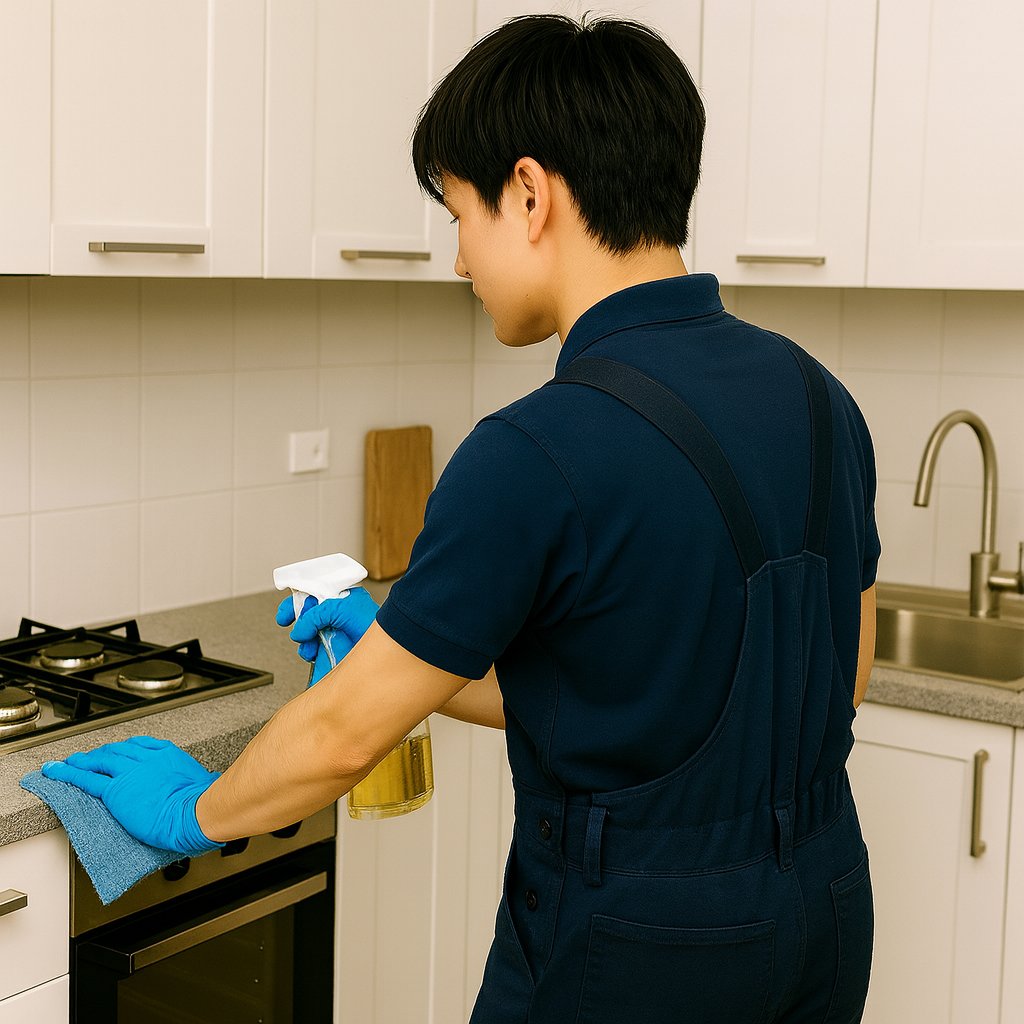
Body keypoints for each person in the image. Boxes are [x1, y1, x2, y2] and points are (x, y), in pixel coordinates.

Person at [43, 14, 880, 1023]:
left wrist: (193, 812)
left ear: (529, 194)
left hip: (638, 948)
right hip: (826, 916)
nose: (456, 261)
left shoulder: (535, 447)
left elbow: (343, 738)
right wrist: (415, 658)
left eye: (457, 214)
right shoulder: (821, 398)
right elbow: (822, 676)